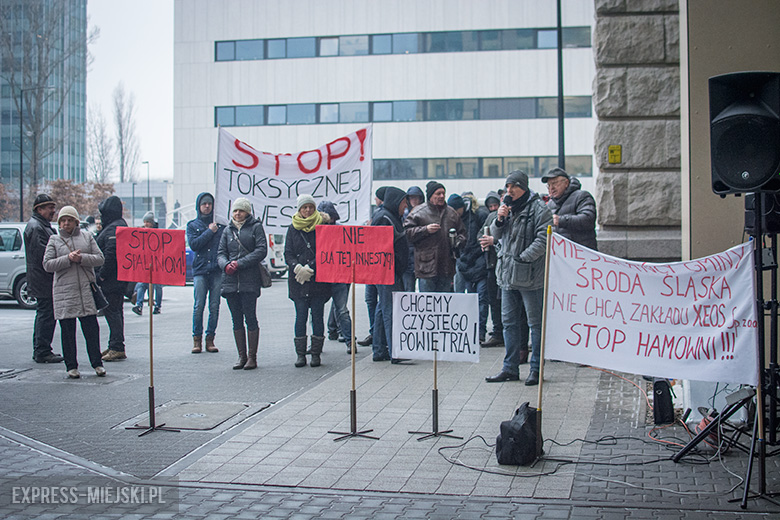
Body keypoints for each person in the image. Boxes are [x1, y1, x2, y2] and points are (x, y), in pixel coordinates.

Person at [485, 170, 552, 386]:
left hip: (530, 276)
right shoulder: (507, 209)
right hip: (506, 277)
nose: (510, 191)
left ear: (523, 187)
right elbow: (496, 235)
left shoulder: (539, 209)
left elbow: (544, 239)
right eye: (507, 187)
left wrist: (523, 259)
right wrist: (500, 219)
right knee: (509, 323)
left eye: (514, 186)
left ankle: (536, 369)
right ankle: (510, 368)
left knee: (535, 324)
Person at [42, 206, 106, 379]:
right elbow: (47, 264)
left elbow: (100, 258)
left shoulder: (87, 237)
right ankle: (71, 366)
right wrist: (67, 259)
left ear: (76, 221)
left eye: (70, 220)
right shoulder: (54, 240)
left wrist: (82, 259)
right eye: (63, 220)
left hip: (86, 290)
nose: (66, 223)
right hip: (65, 292)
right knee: (68, 331)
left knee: (92, 329)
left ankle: (97, 363)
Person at [217, 197, 267, 370]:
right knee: (236, 319)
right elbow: (221, 253)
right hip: (230, 282)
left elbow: (261, 250)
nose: (238, 214)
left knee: (250, 318)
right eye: (235, 211)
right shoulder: (227, 230)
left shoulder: (256, 227)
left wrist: (241, 263)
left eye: (241, 211)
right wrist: (225, 265)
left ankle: (252, 357)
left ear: (247, 212)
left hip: (249, 280)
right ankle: (241, 356)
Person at [285, 194, 331, 368]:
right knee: (300, 316)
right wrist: (297, 267)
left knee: (317, 317)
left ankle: (316, 354)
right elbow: (287, 252)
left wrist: (311, 268)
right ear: (299, 209)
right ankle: (301, 354)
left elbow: (326, 250)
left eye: (310, 207)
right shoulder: (292, 228)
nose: (308, 210)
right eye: (304, 207)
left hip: (318, 279)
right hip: (298, 280)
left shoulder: (322, 225)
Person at [403, 181, 466, 292]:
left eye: (443, 193)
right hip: (426, 267)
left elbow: (463, 234)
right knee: (428, 305)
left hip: (446, 266)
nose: (441, 196)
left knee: (443, 305)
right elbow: (407, 233)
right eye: (438, 194)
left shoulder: (452, 213)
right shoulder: (418, 212)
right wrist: (425, 230)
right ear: (430, 196)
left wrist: (457, 241)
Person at [370, 187, 409, 362]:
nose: (406, 206)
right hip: (386, 271)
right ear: (395, 201)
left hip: (390, 271)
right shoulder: (384, 218)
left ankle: (379, 350)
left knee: (382, 309)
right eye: (403, 202)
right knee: (390, 311)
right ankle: (396, 351)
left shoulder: (389, 216)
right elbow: (379, 248)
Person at [23, 194, 63, 364]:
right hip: (43, 279)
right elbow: (43, 256)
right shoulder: (37, 227)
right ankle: (42, 350)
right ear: (39, 209)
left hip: (42, 279)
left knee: (45, 314)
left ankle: (42, 349)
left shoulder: (40, 226)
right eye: (49, 208)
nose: (53, 211)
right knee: (46, 315)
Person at [187, 192, 225, 354]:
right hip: (200, 271)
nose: (207, 206)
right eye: (204, 204)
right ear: (199, 206)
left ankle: (210, 339)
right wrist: (210, 232)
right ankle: (197, 340)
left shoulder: (221, 225)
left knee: (214, 306)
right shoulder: (192, 225)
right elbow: (195, 244)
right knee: (198, 306)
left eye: (210, 203)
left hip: (216, 271)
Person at [450, 193, 490, 343]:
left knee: (481, 298)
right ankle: (471, 330)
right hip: (465, 263)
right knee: (470, 300)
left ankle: (480, 331)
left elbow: (484, 236)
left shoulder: (478, 215)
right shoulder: (454, 219)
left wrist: (474, 254)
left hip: (479, 263)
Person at [96, 195, 128, 362]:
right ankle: (115, 343)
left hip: (111, 280)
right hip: (118, 278)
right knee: (116, 312)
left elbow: (110, 255)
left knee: (112, 312)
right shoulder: (118, 226)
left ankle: (116, 346)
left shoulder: (112, 229)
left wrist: (101, 275)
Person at [321, 201, 353, 354]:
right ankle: (346, 338)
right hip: (330, 274)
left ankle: (348, 339)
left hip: (338, 274)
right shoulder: (317, 230)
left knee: (340, 308)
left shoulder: (340, 230)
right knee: (340, 308)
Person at [357, 187, 387, 347]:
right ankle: (375, 333)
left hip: (375, 266)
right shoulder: (378, 213)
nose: (374, 200)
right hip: (372, 265)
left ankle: (376, 335)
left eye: (376, 197)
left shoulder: (381, 215)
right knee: (372, 300)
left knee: (373, 300)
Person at [542, 167, 598, 250]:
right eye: (549, 185)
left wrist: (560, 220)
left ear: (566, 183)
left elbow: (588, 219)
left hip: (581, 252)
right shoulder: (550, 203)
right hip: (560, 254)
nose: (551, 188)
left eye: (554, 183)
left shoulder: (582, 196)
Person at [479, 191, 508, 349]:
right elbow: (481, 234)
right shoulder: (491, 217)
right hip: (492, 264)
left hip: (506, 264)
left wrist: (494, 240)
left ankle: (509, 334)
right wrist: (483, 240)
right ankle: (498, 332)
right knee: (494, 302)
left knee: (507, 302)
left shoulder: (515, 215)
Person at [131, 212, 163, 316]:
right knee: (142, 284)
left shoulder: (158, 233)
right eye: (145, 222)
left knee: (157, 285)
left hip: (157, 264)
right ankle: (139, 305)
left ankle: (157, 306)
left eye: (148, 222)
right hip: (145, 263)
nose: (146, 224)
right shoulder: (141, 232)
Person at [402, 186, 424, 292]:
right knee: (408, 291)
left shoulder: (426, 213)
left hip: (423, 256)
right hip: (408, 257)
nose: (414, 200)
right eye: (411, 198)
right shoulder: (404, 214)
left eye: (416, 198)